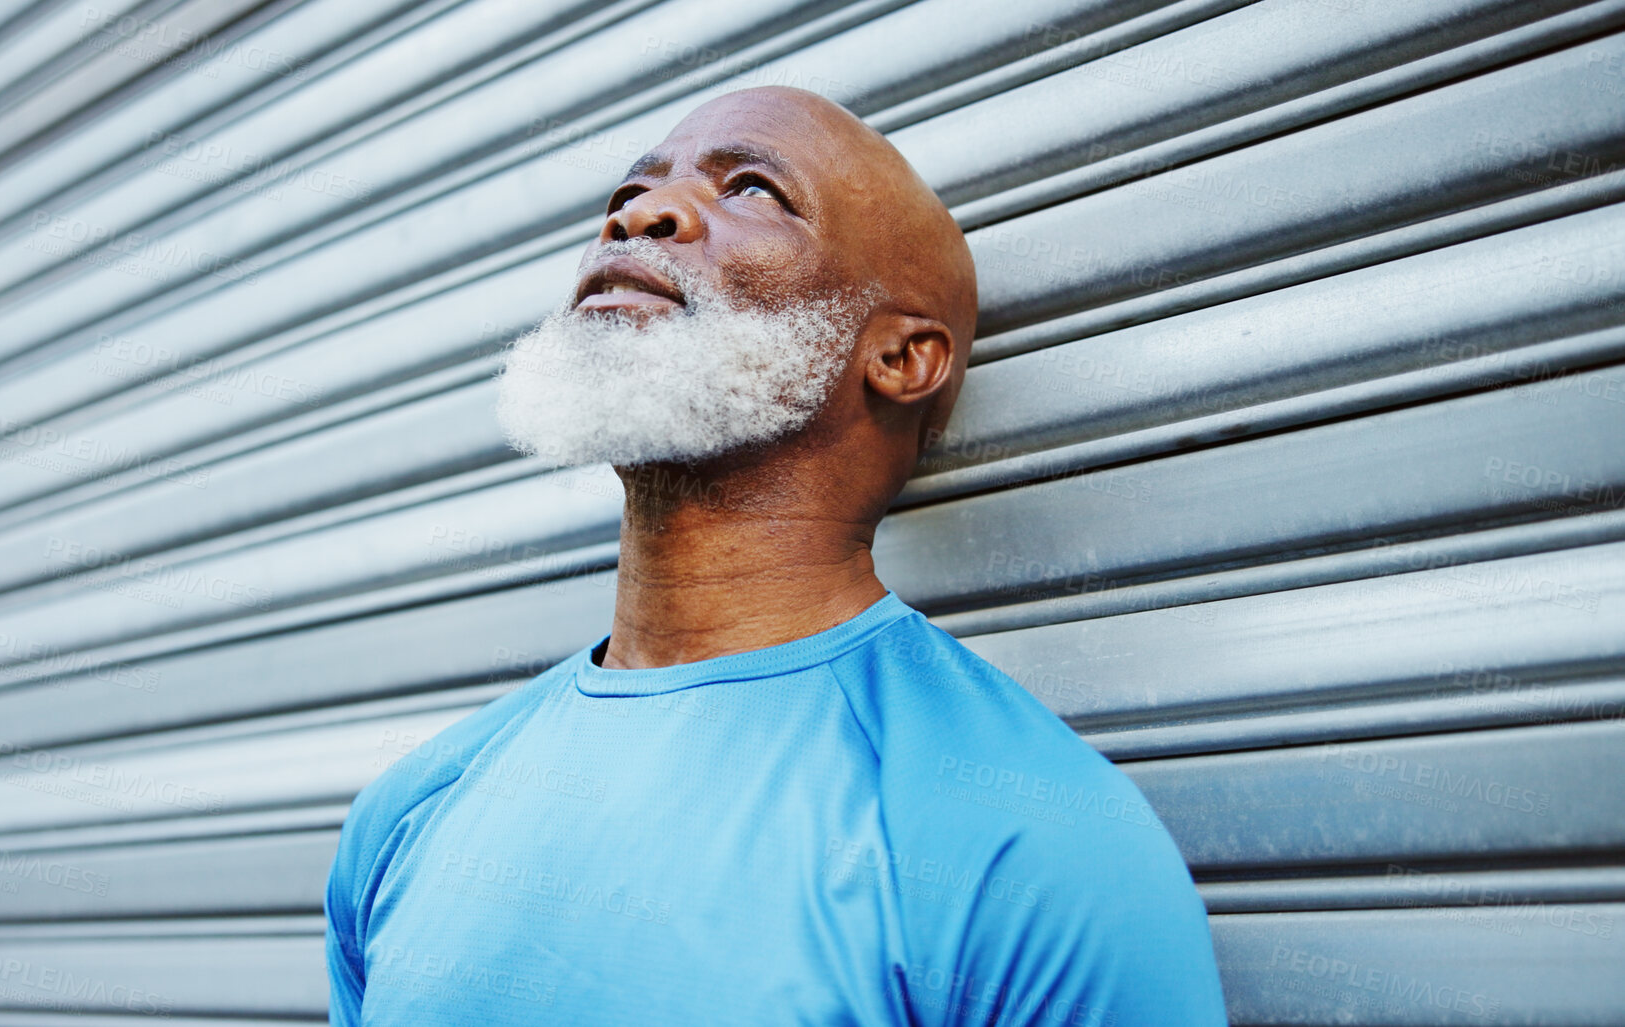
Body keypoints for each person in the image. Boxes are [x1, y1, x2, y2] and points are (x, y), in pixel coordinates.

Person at [325, 85, 1227, 1025]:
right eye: (628, 195)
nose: (641, 215)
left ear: (901, 359)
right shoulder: (412, 808)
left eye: (754, 190)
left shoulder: (1028, 845)